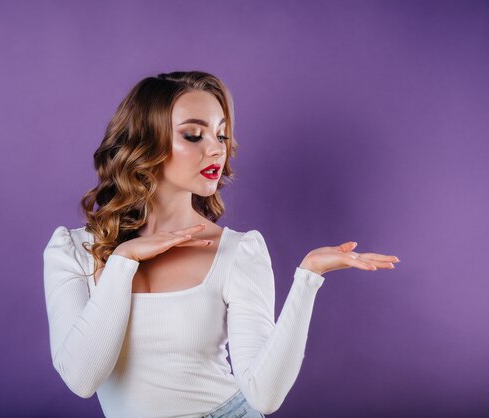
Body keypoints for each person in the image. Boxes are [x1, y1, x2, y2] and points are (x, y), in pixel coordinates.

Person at [42, 71, 400, 418]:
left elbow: (264, 394)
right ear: (145, 143)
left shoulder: (238, 252)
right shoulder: (72, 251)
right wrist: (122, 261)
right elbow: (82, 378)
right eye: (194, 135)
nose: (216, 150)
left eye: (222, 135)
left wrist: (308, 278)